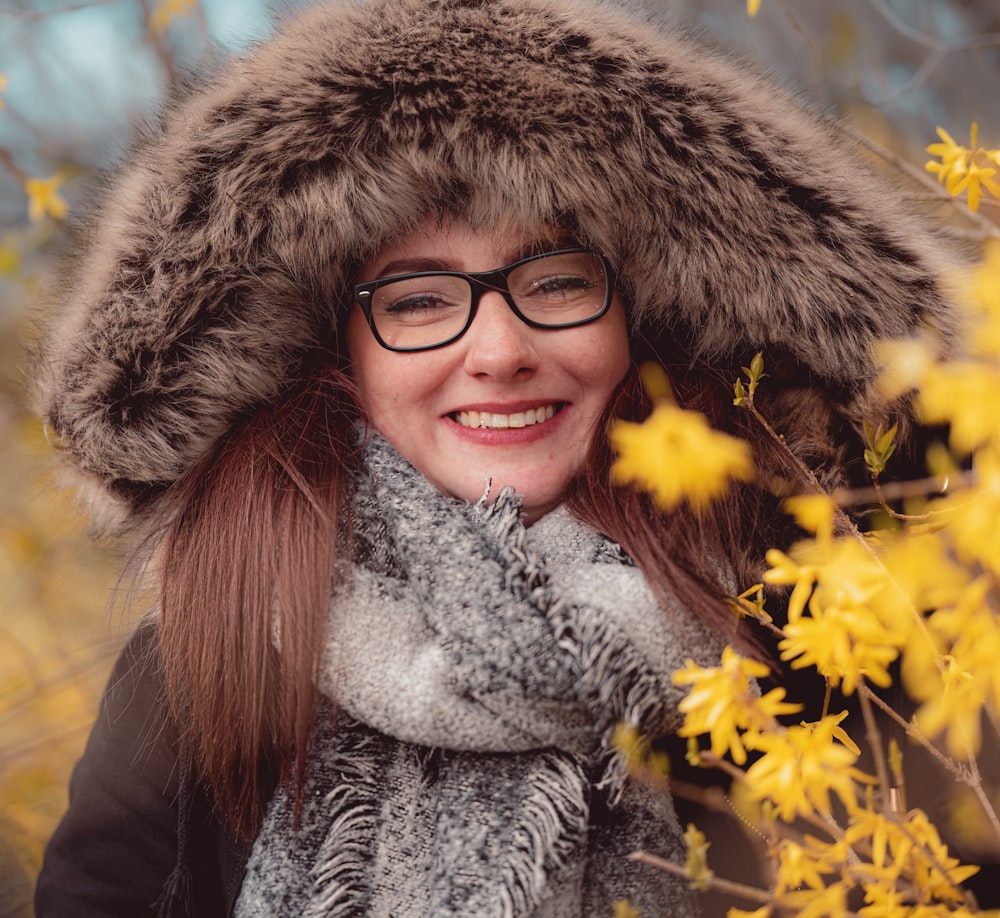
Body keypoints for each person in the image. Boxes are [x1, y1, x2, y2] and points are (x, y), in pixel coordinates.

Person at [32, 0, 957, 915]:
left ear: (640, 318)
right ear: (336, 351)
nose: (500, 351)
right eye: (420, 301)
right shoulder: (216, 639)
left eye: (556, 281)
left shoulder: (820, 621)